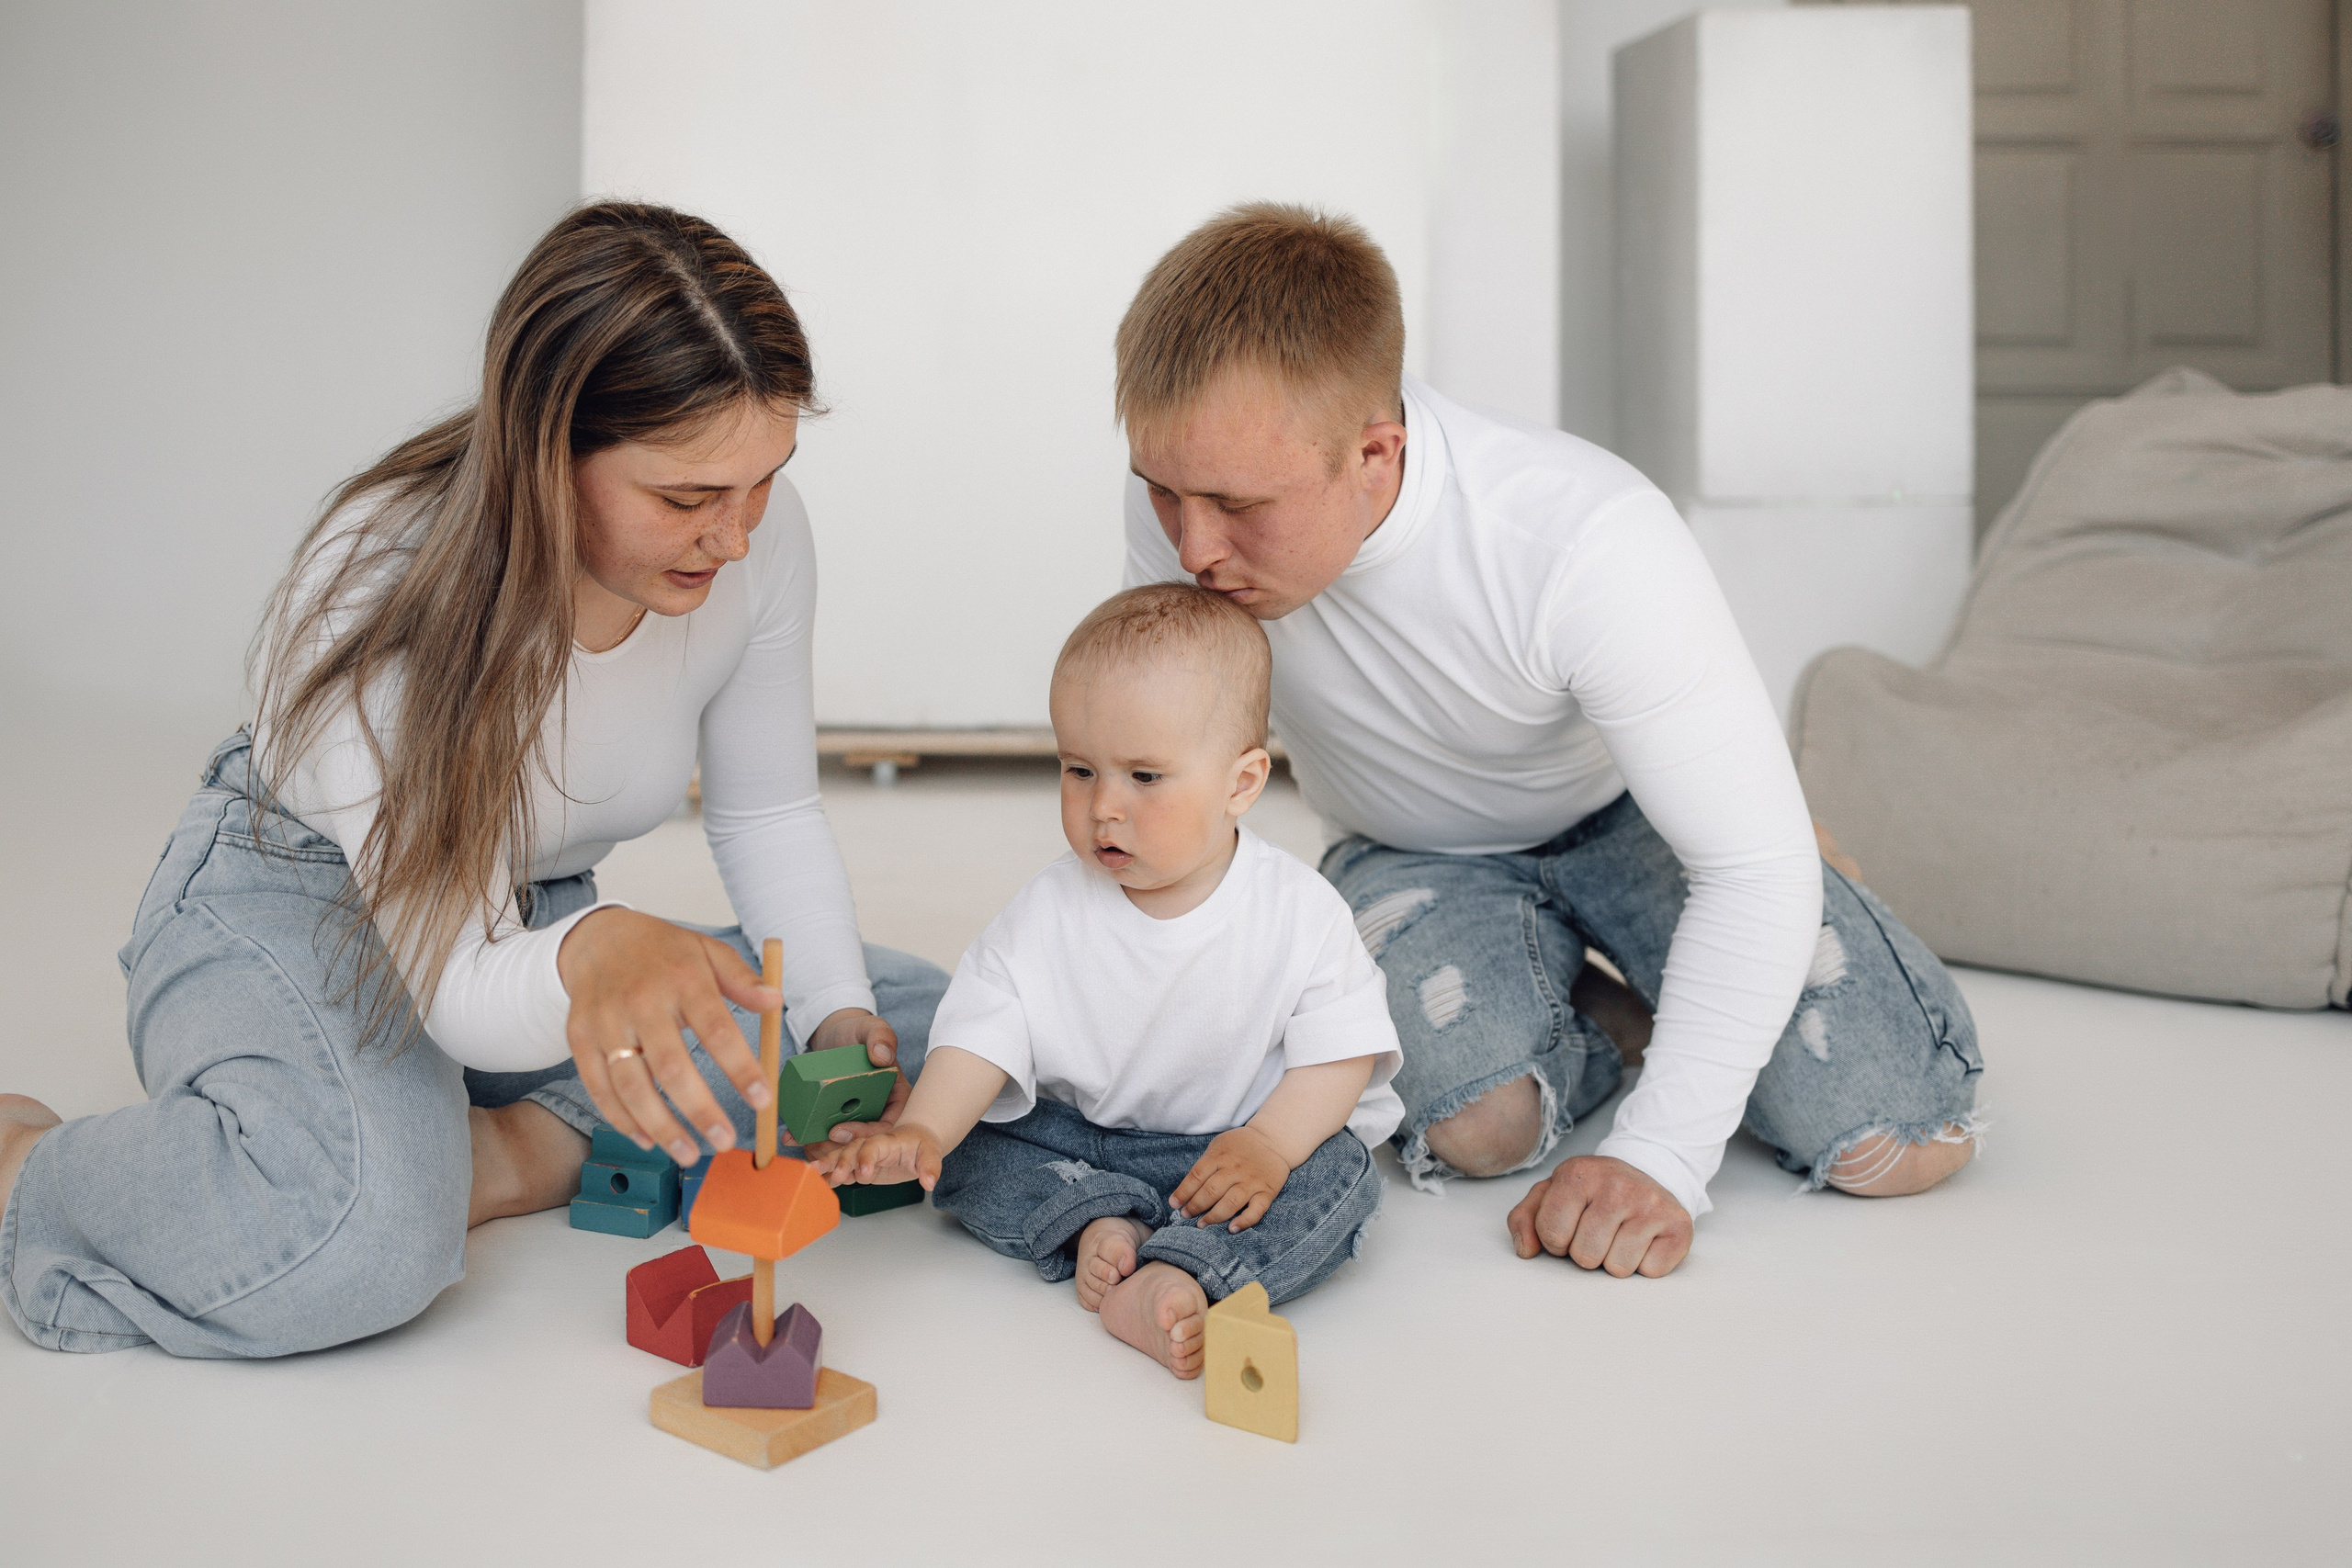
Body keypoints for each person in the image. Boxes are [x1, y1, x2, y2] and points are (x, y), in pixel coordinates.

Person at [0, 203, 947, 1358]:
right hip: (301, 902)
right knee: (359, 1235)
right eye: (688, 498)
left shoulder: (758, 534)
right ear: (547, 452)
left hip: (534, 917)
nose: (739, 535)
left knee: (925, 1022)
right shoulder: (375, 583)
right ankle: (30, 1167)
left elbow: (767, 809)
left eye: (764, 480)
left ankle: (498, 1152)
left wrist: (835, 1013)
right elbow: (453, 979)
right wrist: (596, 959)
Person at [1115, 204, 1984, 1280]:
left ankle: (1747, 836)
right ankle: (1606, 1008)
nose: (1191, 546)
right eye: (1163, 489)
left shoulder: (1581, 538)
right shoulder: (1183, 504)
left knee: (1895, 1137)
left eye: (1239, 505)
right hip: (1410, 847)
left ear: (1374, 453)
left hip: (1632, 823)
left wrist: (1659, 1158)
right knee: (1474, 1129)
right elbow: (1170, 771)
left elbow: (1746, 875)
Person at [814, 584, 1399, 1379]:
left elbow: (1341, 1054)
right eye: (1080, 769)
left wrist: (1269, 1144)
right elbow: (984, 1032)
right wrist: (923, 1130)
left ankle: (1182, 1269)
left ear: (1242, 782)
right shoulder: (1050, 909)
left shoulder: (1297, 912)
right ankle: (1098, 1221)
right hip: (1080, 1139)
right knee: (962, 1143)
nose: (1103, 808)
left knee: (1341, 1174)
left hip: (1228, 1150)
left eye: (1145, 777)